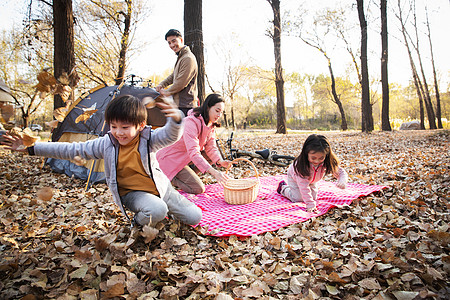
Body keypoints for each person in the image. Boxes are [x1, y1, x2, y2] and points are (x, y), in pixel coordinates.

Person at [1, 95, 202, 229]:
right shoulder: (107, 144)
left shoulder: (149, 139)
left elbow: (171, 135)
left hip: (162, 188)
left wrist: (176, 118)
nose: (118, 132)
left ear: (140, 126)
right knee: (157, 210)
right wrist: (31, 147)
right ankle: (138, 225)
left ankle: (161, 214)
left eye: (125, 127)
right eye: (114, 126)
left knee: (195, 217)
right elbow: (70, 149)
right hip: (133, 194)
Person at [156, 93, 232, 194]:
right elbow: (194, 152)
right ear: (208, 107)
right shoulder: (190, 122)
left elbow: (211, 148)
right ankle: (171, 177)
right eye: (217, 111)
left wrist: (220, 161)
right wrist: (215, 173)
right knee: (198, 189)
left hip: (186, 158)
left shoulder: (210, 125)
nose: (219, 115)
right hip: (172, 160)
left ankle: (188, 177)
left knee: (209, 156)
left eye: (221, 112)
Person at [276, 134, 348, 213]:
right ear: (306, 153)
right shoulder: (300, 166)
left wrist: (342, 180)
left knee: (313, 197)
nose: (317, 161)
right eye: (313, 158)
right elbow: (303, 187)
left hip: (312, 180)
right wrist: (310, 204)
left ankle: (310, 188)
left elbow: (340, 171)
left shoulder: (325, 162)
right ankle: (283, 187)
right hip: (295, 178)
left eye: (321, 158)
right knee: (298, 198)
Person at [156, 29, 198, 116]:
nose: (172, 45)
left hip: (186, 107)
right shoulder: (181, 57)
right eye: (169, 43)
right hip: (179, 105)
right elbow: (173, 76)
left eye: (174, 41)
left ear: (181, 40)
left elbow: (181, 83)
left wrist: (166, 92)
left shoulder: (188, 58)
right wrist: (162, 84)